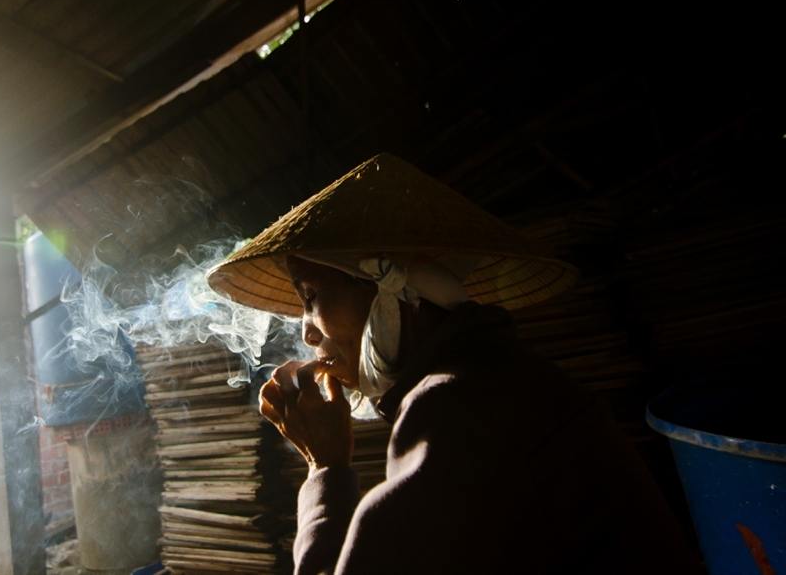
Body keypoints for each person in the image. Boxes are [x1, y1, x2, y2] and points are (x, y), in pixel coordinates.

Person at [206, 154, 698, 574]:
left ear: (392, 292)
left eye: (311, 297)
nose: (307, 331)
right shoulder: (492, 377)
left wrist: (326, 467)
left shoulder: (456, 412)